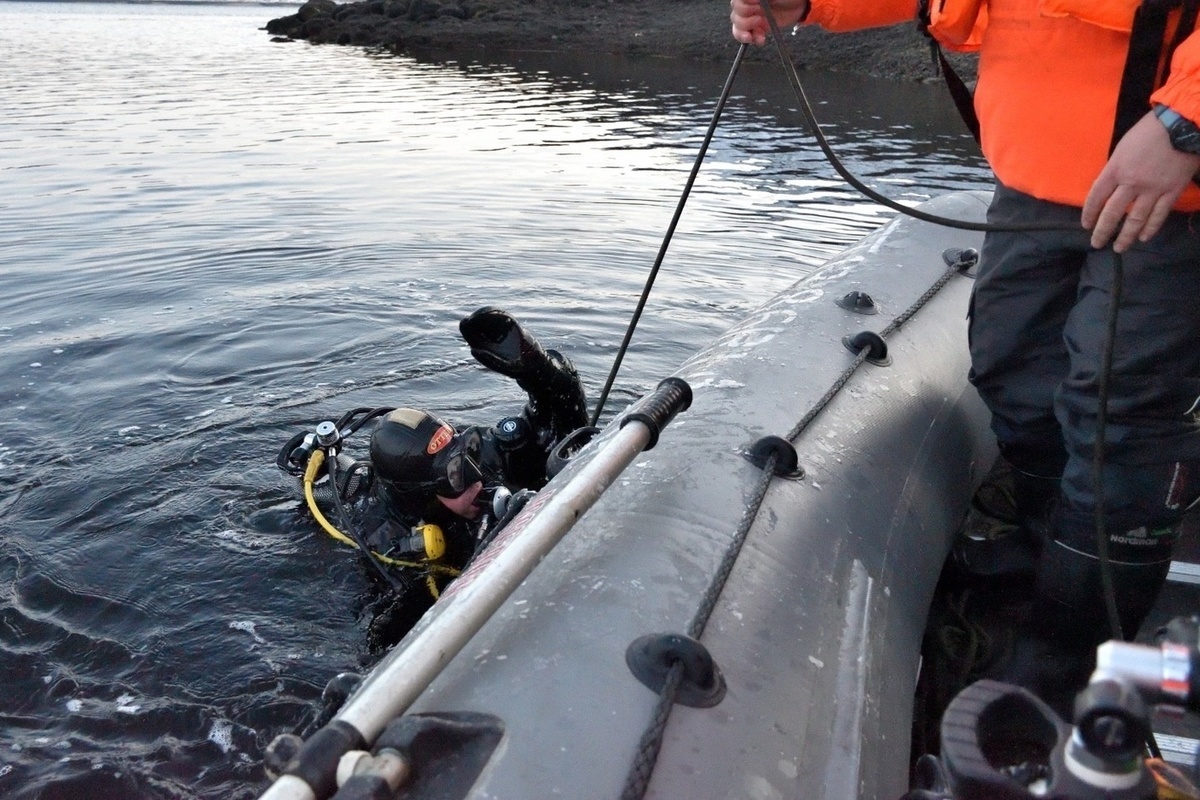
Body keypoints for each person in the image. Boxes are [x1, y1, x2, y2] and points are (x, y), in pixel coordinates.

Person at [731, 0, 1200, 712]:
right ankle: (1044, 547)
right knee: (1011, 370)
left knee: (1118, 417)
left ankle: (1070, 660)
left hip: (1169, 196)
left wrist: (1181, 123)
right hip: (1035, 179)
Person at [278, 306, 589, 644]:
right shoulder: (387, 546)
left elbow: (563, 417)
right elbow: (385, 640)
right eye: (454, 474)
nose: (476, 478)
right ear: (421, 494)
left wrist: (535, 366)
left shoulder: (481, 456)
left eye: (463, 451)